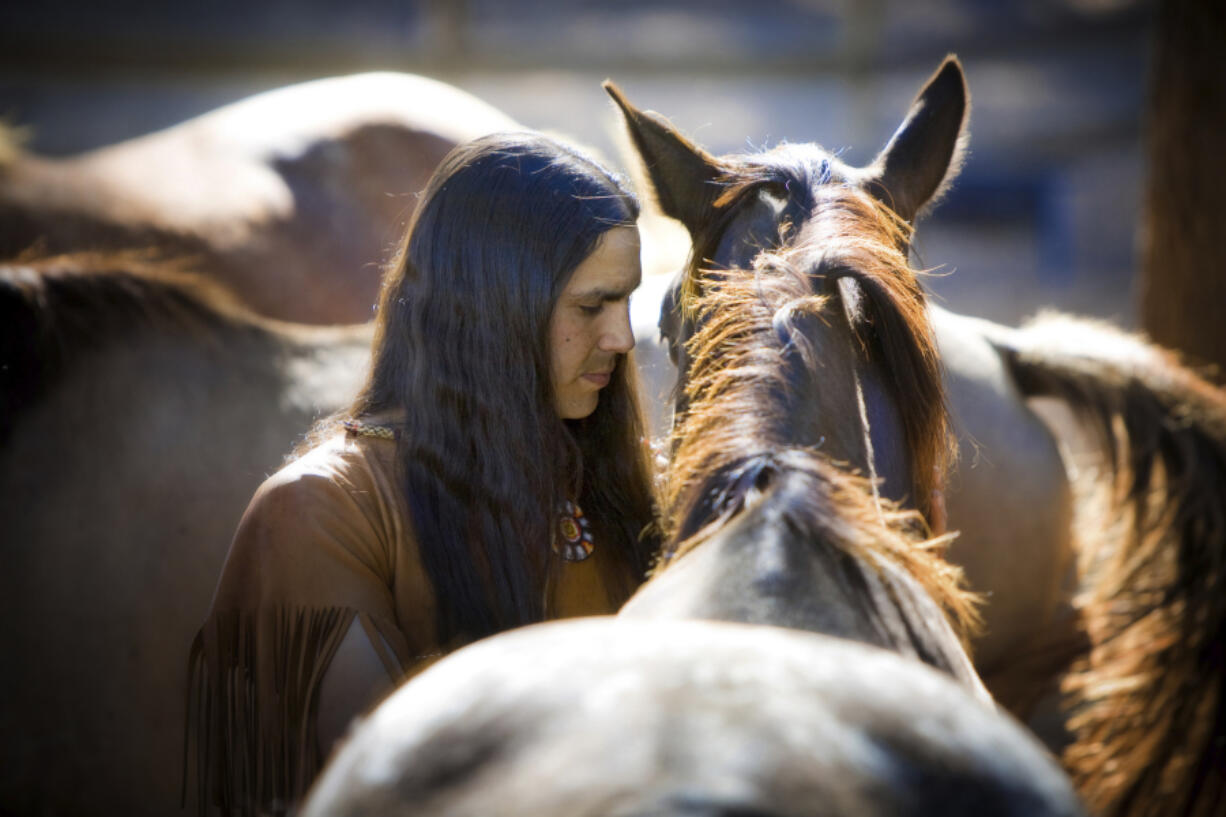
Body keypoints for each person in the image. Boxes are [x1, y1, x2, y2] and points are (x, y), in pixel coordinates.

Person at [185, 131, 661, 815]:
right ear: (492, 305)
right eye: (592, 306)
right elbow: (394, 788)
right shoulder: (323, 513)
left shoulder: (624, 487)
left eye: (626, 303)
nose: (620, 337)